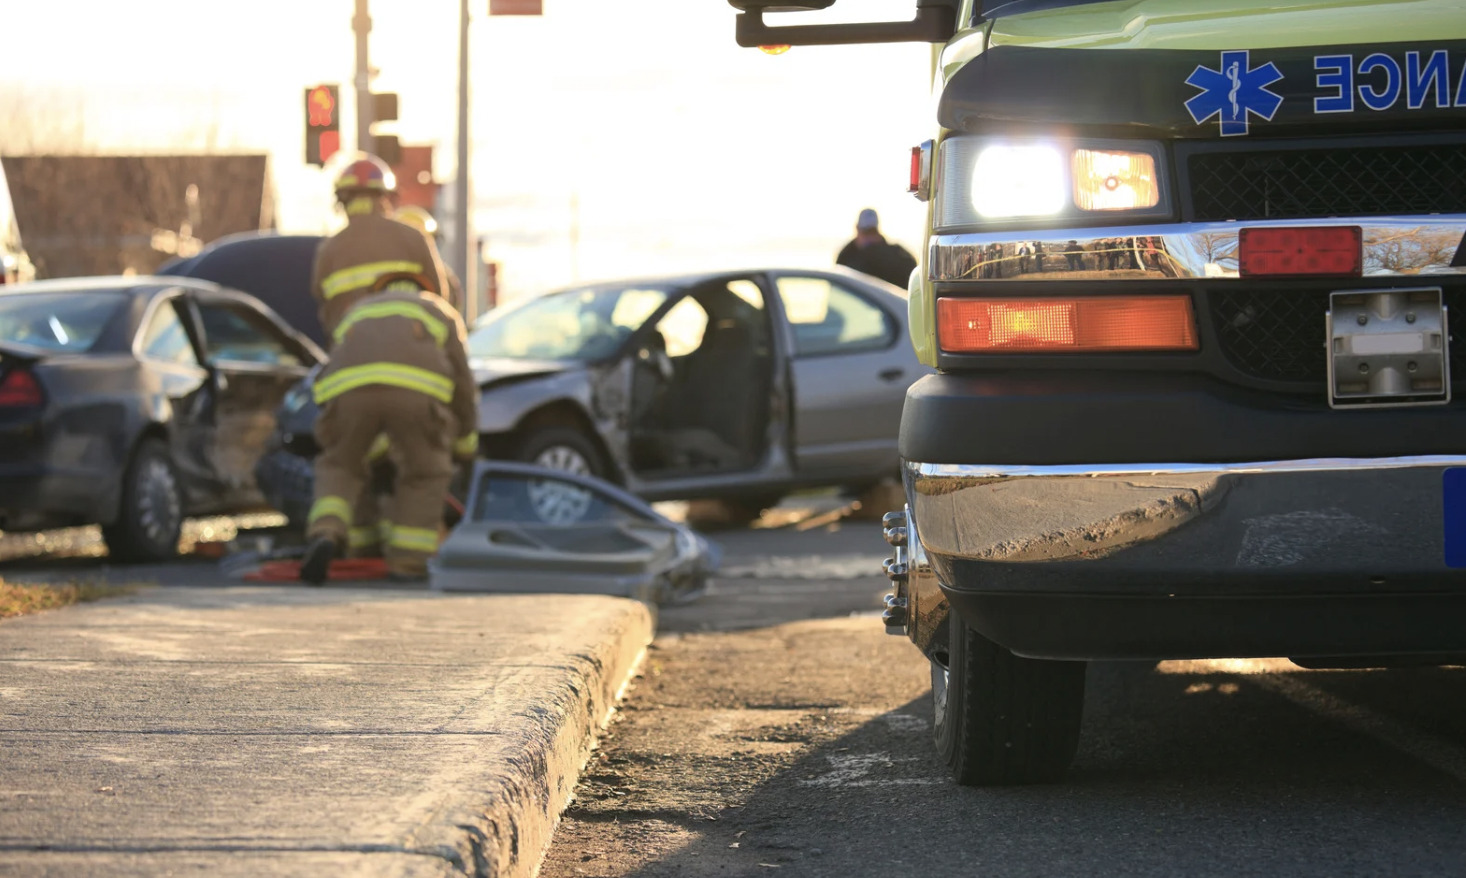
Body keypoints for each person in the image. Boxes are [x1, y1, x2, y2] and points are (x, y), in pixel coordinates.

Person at [300, 272, 480, 584]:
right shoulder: (438, 310)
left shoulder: (358, 310)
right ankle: (407, 562)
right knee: (424, 472)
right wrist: (465, 442)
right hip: (415, 395)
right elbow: (463, 384)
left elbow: (332, 367)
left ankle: (328, 532)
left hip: (348, 393)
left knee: (341, 466)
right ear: (426, 288)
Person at [310, 155, 452, 337]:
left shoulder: (328, 251)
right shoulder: (414, 239)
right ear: (387, 197)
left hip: (351, 355)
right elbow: (439, 299)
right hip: (410, 351)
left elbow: (323, 308)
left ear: (342, 202)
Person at [835, 208, 917, 289]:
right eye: (866, 233)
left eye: (873, 232)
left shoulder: (897, 256)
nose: (870, 238)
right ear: (857, 229)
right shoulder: (846, 257)